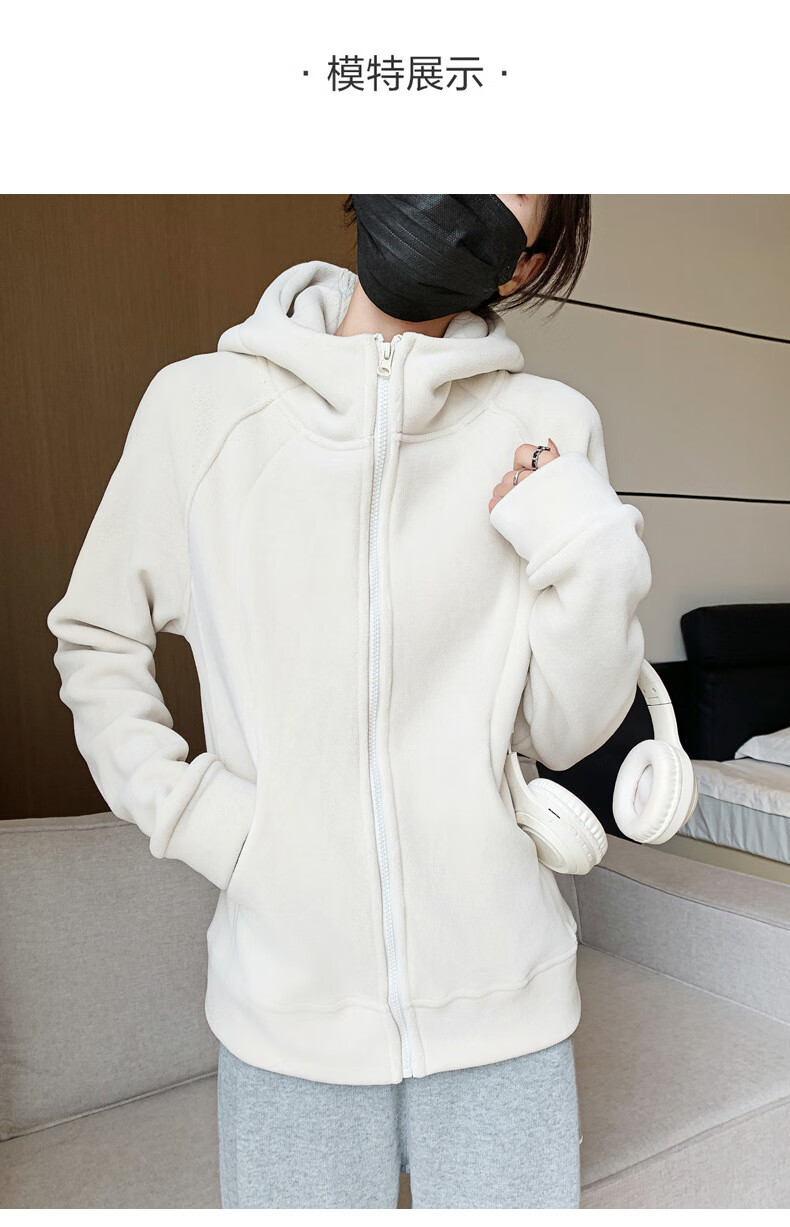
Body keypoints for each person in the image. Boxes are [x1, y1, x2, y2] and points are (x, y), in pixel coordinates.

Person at [46, 194, 652, 1209]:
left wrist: (591, 553)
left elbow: (565, 728)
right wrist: (203, 817)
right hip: (286, 1010)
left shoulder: (548, 426)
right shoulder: (201, 409)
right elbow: (97, 637)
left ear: (524, 261)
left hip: (505, 1001)